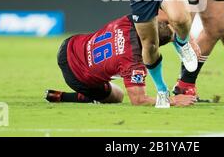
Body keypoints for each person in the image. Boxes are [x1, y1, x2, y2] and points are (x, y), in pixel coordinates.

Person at [45, 15, 196, 107]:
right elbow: (139, 100)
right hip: (76, 76)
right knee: (117, 96)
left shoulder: (128, 21)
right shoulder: (134, 62)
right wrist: (174, 100)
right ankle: (67, 97)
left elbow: (161, 14)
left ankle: (56, 95)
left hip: (69, 45)